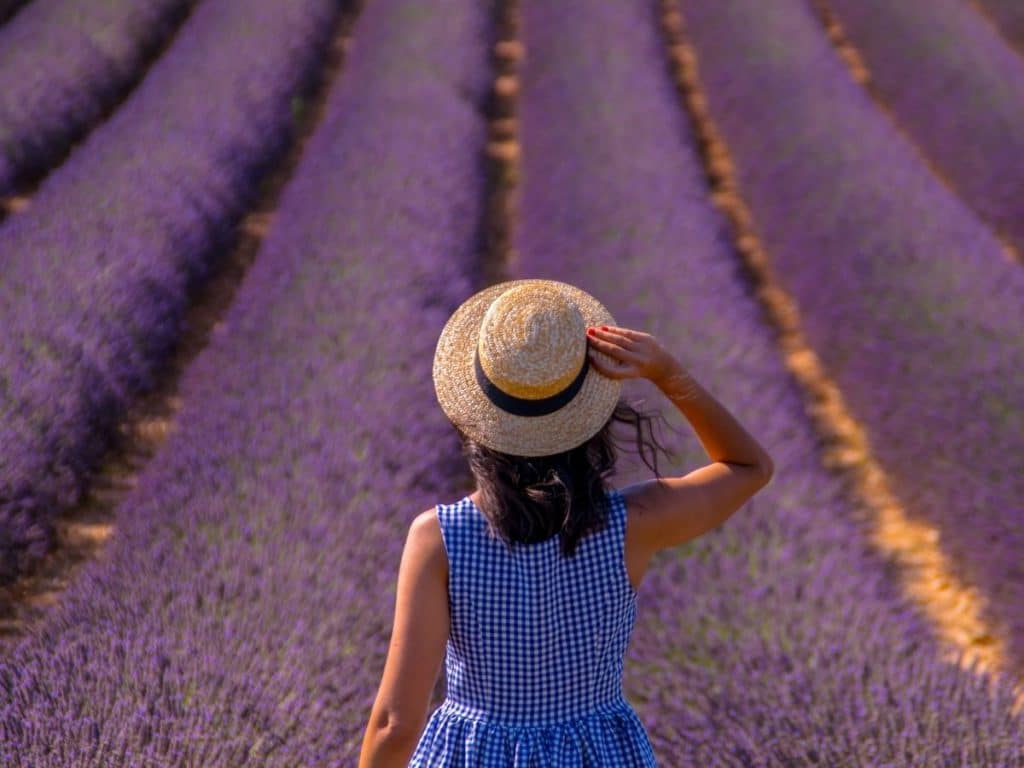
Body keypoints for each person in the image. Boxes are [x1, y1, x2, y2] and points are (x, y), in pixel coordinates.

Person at [358, 279, 773, 767]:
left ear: (475, 419)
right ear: (592, 417)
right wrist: (668, 373)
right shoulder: (632, 524)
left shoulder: (441, 539)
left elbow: (396, 724)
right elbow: (750, 467)